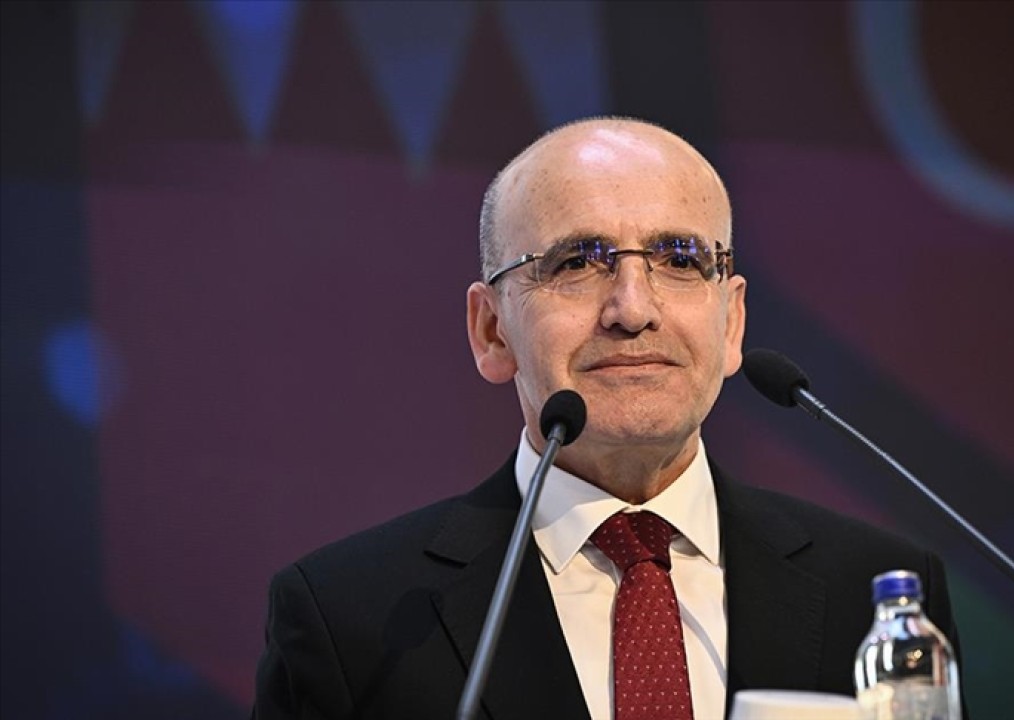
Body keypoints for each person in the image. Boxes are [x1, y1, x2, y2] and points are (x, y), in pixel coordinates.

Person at [253, 117, 960, 720]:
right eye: (576, 263)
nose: (632, 309)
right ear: (492, 331)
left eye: (679, 259)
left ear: (732, 322)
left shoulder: (876, 591)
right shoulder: (350, 618)